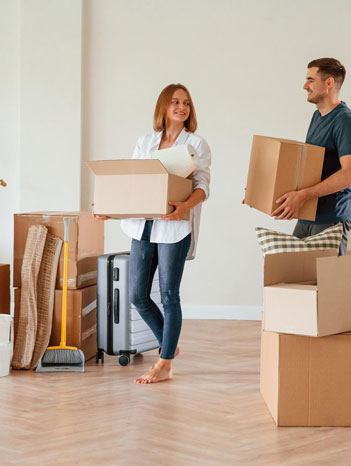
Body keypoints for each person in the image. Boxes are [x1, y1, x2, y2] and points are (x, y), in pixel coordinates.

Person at [98, 83, 211, 384]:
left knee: (170, 295)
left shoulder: (196, 144)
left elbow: (203, 186)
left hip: (174, 226)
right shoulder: (146, 142)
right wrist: (112, 208)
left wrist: (186, 205)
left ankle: (165, 363)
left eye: (186, 102)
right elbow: (134, 184)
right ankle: (169, 346)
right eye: (175, 102)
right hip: (142, 226)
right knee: (137, 295)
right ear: (163, 106)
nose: (181, 107)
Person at [271, 58, 351, 256]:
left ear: (329, 83)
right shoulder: (318, 116)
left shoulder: (345, 120)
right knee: (297, 282)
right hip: (308, 216)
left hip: (330, 219)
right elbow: (310, 168)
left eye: (310, 80)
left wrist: (303, 195)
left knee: (328, 285)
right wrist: (267, 187)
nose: (305, 86)